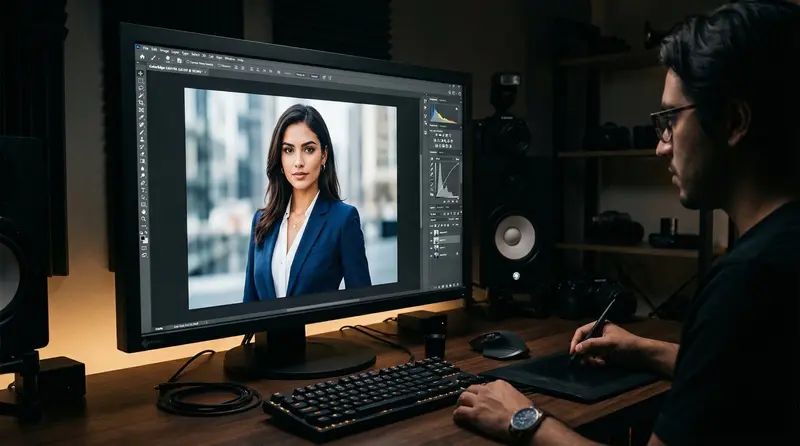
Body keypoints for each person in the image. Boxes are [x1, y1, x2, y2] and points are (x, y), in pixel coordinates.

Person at [453, 1, 800, 444]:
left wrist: (524, 419)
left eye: (671, 120)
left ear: (734, 122)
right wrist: (646, 350)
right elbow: (750, 372)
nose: (661, 146)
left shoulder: (749, 281)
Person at [243, 104, 371, 301]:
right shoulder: (261, 221)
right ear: (279, 157)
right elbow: (249, 303)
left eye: (309, 149)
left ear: (324, 155)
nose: (298, 162)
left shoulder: (343, 220)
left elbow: (364, 303)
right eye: (288, 150)